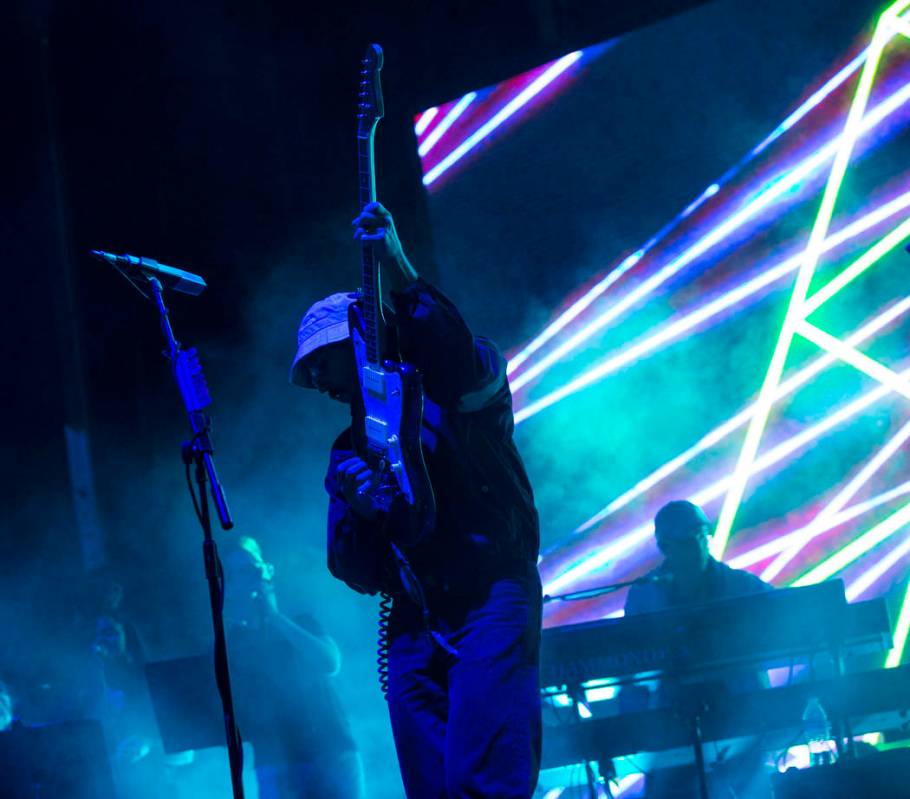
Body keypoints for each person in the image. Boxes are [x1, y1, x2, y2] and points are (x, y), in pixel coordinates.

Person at [289, 202, 542, 798]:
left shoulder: (452, 393)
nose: (318, 384)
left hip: (489, 596)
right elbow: (355, 569)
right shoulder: (349, 451)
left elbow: (459, 365)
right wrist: (361, 510)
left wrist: (399, 268)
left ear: (356, 338)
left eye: (321, 364)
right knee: (431, 786)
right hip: (414, 618)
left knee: (482, 778)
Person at [624, 500, 773, 799]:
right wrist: (632, 720)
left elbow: (791, 618)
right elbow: (626, 658)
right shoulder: (645, 595)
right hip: (673, 717)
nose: (700, 545)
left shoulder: (740, 586)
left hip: (740, 712)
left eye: (702, 536)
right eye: (689, 539)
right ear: (665, 547)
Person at [220, 535, 364, 799]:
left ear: (268, 569)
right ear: (229, 584)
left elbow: (330, 662)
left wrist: (274, 618)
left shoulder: (299, 618)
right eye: (240, 571)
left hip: (330, 749)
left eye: (254, 565)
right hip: (274, 758)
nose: (252, 574)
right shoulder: (234, 641)